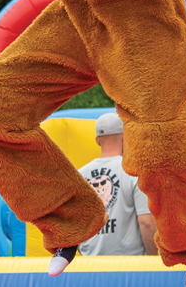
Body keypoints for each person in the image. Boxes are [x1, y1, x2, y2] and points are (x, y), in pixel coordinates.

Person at [69, 112, 156, 265]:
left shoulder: (79, 176)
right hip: (130, 266)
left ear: (97, 141)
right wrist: (155, 261)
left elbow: (72, 227)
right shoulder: (135, 172)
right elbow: (147, 222)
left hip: (91, 266)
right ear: (125, 137)